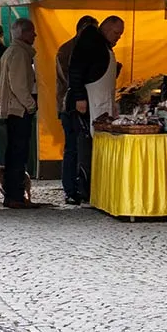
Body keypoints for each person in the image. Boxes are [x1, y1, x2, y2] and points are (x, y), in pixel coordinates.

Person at [56, 15, 99, 204]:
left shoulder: (76, 48)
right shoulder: (70, 50)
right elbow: (70, 78)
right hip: (71, 105)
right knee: (73, 147)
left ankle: (78, 187)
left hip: (74, 103)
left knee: (75, 147)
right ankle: (71, 189)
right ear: (83, 29)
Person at [0, 18, 39, 210]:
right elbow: (19, 86)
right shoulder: (20, 54)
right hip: (19, 110)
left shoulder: (10, 52)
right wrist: (31, 105)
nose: (35, 35)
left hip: (13, 109)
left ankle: (13, 195)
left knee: (14, 153)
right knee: (18, 154)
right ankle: (15, 195)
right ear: (23, 34)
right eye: (32, 32)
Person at [67, 15, 126, 131]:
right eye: (116, 33)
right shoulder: (91, 41)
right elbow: (76, 69)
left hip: (101, 102)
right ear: (107, 28)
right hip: (88, 103)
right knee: (84, 140)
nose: (119, 37)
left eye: (120, 34)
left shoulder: (103, 44)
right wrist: (80, 97)